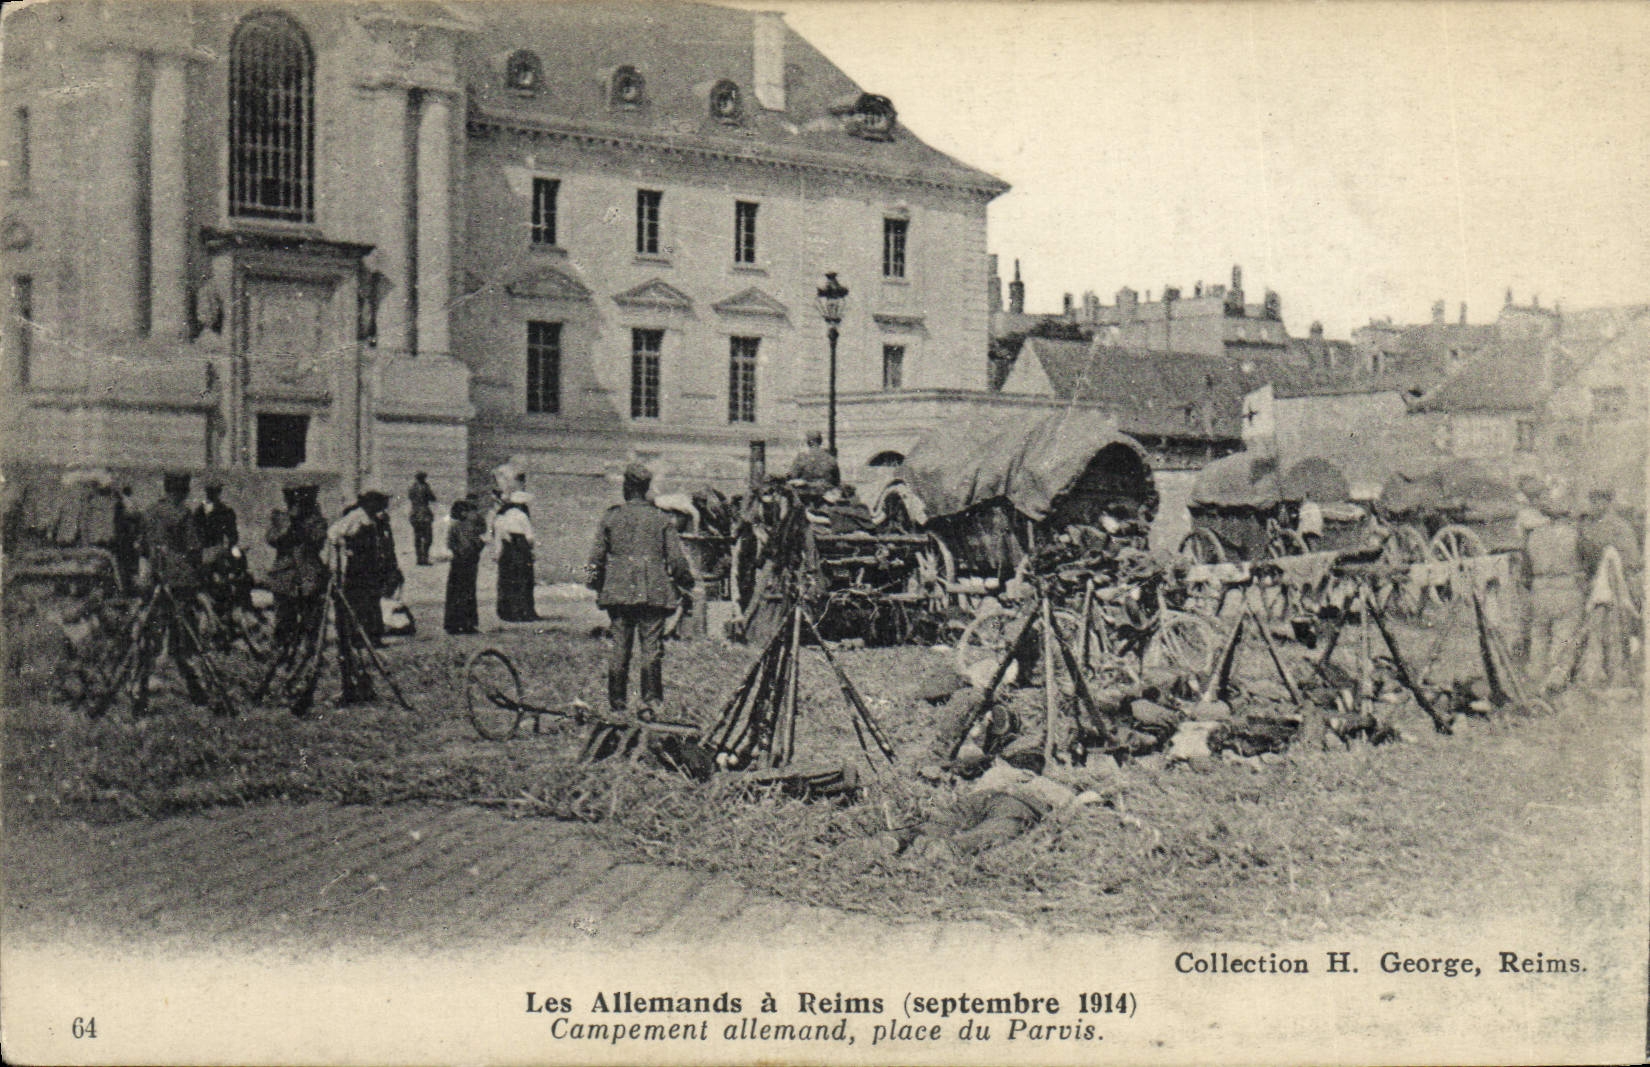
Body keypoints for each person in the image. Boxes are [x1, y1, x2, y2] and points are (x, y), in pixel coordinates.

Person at [586, 463, 695, 717]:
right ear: (646, 490)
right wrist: (686, 582)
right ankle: (650, 703)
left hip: (619, 592)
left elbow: (594, 558)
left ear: (626, 487)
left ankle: (617, 705)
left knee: (619, 647)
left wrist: (593, 583)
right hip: (654, 592)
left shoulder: (611, 517)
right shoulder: (661, 519)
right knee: (651, 649)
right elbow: (677, 560)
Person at [137, 472, 211, 711]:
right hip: (180, 583)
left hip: (156, 580)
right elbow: (194, 548)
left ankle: (140, 692)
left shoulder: (149, 513)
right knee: (185, 639)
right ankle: (198, 693)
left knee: (152, 637)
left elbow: (142, 546)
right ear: (183, 491)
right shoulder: (182, 514)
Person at [328, 489, 402, 703]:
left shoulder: (374, 519)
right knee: (357, 605)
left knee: (371, 602)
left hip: (369, 570)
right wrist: (345, 549)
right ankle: (358, 637)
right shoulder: (355, 517)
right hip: (357, 571)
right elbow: (333, 533)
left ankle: (371, 635)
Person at [1522, 487, 1582, 687]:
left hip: (1539, 589)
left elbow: (1525, 570)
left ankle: (1535, 676)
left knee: (1538, 634)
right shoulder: (1575, 535)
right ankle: (1554, 683)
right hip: (1566, 588)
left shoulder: (1534, 536)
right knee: (1563, 635)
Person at [266, 484, 329, 664]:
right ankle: (281, 652)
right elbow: (272, 539)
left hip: (310, 575)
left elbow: (317, 541)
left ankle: (311, 653)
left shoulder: (316, 520)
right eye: (293, 501)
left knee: (312, 619)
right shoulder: (279, 518)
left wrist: (300, 524)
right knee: (284, 619)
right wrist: (289, 524)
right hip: (284, 575)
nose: (297, 505)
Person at [494, 491, 539, 622]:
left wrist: (498, 553)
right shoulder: (522, 516)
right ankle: (524, 611)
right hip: (521, 550)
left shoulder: (501, 517)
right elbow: (530, 537)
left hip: (507, 551)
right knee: (523, 580)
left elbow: (498, 537)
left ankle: (507, 612)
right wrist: (531, 550)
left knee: (507, 581)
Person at [444, 497, 486, 635]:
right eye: (463, 511)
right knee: (460, 592)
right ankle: (457, 624)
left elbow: (479, 542)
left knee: (466, 592)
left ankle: (465, 624)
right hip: (460, 562)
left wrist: (475, 549)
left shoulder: (466, 526)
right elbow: (450, 544)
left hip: (467, 561)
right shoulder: (455, 526)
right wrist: (462, 552)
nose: (466, 514)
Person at [407, 471, 437, 566]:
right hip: (424, 514)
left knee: (417, 537)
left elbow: (410, 497)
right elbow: (433, 498)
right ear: (423, 478)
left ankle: (419, 559)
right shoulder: (425, 487)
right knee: (428, 537)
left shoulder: (412, 487)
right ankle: (424, 558)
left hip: (414, 514)